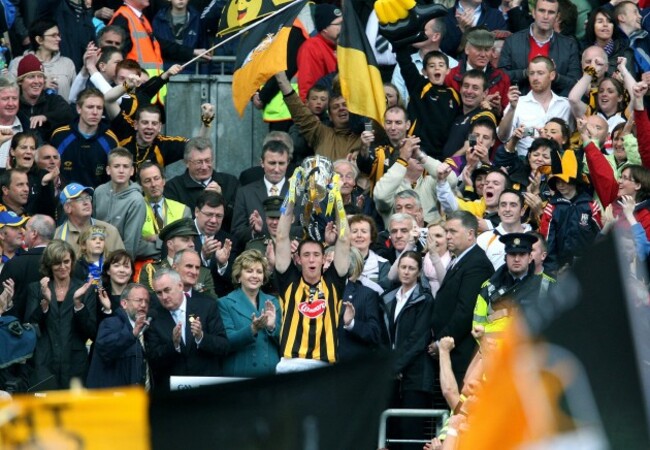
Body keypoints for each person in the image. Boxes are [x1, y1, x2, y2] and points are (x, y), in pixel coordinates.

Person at [273, 180, 350, 372]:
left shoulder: (334, 282)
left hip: (323, 366)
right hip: (290, 364)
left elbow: (344, 238)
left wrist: (337, 199)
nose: (311, 260)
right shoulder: (289, 281)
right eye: (306, 255)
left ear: (324, 259)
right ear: (297, 259)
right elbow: (281, 236)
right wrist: (291, 197)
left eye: (316, 255)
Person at [430, 211, 494, 389]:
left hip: (462, 353)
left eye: (453, 232)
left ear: (471, 234)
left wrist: (441, 341)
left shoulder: (477, 264)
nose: (447, 236)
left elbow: (465, 311)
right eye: (446, 231)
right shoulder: (461, 259)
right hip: (452, 351)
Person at [381, 250, 435, 449]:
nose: (406, 272)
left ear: (419, 272)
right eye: (403, 267)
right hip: (392, 377)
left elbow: (418, 339)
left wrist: (395, 366)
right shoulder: (388, 298)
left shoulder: (425, 299)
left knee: (411, 434)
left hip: (416, 376)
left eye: (411, 268)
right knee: (391, 433)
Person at [26, 240, 96, 390]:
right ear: (49, 265)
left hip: (75, 364)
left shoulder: (85, 290)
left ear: (72, 262)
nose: (63, 267)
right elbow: (30, 326)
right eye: (57, 263)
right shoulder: (36, 289)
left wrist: (78, 304)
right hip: (44, 363)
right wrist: (45, 303)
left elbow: (91, 331)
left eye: (66, 262)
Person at [146, 268, 229, 392]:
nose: (164, 296)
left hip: (207, 388)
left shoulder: (206, 307)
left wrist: (201, 337)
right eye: (159, 293)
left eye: (167, 290)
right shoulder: (154, 317)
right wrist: (173, 345)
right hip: (174, 395)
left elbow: (224, 346)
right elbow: (153, 360)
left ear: (180, 286)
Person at [473, 233, 555, 338]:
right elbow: (477, 327)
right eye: (512, 254)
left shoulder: (548, 286)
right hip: (492, 351)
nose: (516, 259)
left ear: (530, 258)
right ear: (505, 257)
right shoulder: (489, 287)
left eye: (522, 254)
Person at [217, 249, 281, 377]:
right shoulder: (225, 303)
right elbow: (226, 343)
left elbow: (287, 342)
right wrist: (252, 329)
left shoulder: (273, 302)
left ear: (263, 278)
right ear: (238, 276)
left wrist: (272, 327)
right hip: (240, 374)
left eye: (259, 272)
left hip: (271, 375)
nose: (255, 276)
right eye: (249, 271)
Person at [274, 70, 362, 162]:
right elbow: (297, 109)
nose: (341, 108)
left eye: (345, 105)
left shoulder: (364, 136)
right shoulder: (321, 133)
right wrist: (281, 78)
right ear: (330, 116)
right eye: (335, 107)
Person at [498, 0, 581, 96]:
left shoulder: (569, 45)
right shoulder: (512, 41)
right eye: (541, 11)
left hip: (556, 107)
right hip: (519, 105)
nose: (546, 16)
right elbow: (500, 76)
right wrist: (525, 73)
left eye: (551, 12)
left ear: (557, 17)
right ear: (533, 13)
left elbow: (575, 83)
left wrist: (555, 76)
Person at [539, 149, 602, 274]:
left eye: (564, 181)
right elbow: (547, 240)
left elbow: (599, 236)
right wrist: (552, 267)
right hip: (558, 268)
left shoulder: (590, 205)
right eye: (557, 181)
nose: (560, 185)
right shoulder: (552, 207)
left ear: (574, 182)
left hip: (588, 267)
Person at [392, 46, 460, 159]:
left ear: (448, 70)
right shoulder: (419, 86)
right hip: (418, 150)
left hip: (443, 154)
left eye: (441, 65)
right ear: (424, 71)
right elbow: (406, 64)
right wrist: (400, 44)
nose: (437, 68)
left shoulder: (454, 95)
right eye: (432, 66)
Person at [497, 56, 573, 158]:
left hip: (559, 164)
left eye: (540, 73)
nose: (535, 78)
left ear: (552, 75)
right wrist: (512, 108)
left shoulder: (565, 105)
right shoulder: (518, 103)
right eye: (531, 73)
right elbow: (502, 137)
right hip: (524, 164)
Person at [164, 136, 239, 231]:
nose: (204, 167)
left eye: (208, 161)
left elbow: (238, 220)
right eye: (199, 162)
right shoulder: (173, 188)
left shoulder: (230, 182)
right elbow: (174, 225)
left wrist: (222, 199)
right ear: (186, 162)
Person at [50, 87, 120, 188]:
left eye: (99, 108)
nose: (95, 112)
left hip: (96, 200)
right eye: (90, 107)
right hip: (64, 199)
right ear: (79, 109)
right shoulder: (60, 136)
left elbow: (114, 176)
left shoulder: (110, 140)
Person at [86, 283, 151, 389]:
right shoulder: (110, 323)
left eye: (146, 301)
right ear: (124, 303)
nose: (143, 305)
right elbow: (106, 349)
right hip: (112, 399)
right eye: (139, 300)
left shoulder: (146, 328)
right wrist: (132, 334)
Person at [231, 140, 292, 245]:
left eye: (281, 163)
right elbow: (236, 232)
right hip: (256, 257)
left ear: (288, 163)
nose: (277, 169)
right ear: (262, 163)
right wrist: (254, 231)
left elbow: (304, 229)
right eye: (272, 163)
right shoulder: (245, 193)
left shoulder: (300, 193)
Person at [138, 218, 216, 299]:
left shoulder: (204, 273)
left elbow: (212, 304)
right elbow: (148, 303)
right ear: (170, 244)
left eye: (193, 240)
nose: (192, 244)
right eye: (185, 240)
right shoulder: (153, 270)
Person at [391, 16, 459, 106]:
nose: (416, 32)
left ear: (435, 36)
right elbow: (397, 99)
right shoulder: (403, 64)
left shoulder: (453, 65)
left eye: (422, 29)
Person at [92, 147, 147, 258]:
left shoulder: (136, 200)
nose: (121, 170)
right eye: (116, 166)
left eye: (125, 166)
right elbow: (92, 226)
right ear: (108, 170)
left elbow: (131, 243)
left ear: (132, 171)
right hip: (95, 254)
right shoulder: (99, 192)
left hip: (119, 259)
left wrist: (123, 266)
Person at [0, 214, 55, 322]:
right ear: (1, 234)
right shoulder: (67, 259)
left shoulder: (15, 263)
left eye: (24, 228)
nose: (22, 231)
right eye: (15, 228)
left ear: (34, 234)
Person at [108, 0, 165, 103]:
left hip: (148, 91)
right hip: (135, 91)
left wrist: (191, 52)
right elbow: (116, 58)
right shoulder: (122, 18)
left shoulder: (140, 18)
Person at [8, 19, 77, 101]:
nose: (59, 39)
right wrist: (40, 86)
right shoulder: (18, 63)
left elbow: (75, 97)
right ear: (39, 39)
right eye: (53, 35)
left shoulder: (67, 63)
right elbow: (10, 94)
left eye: (59, 35)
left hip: (63, 112)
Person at [338, 247, 385, 362]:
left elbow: (375, 333)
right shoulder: (314, 292)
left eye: (331, 261)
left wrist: (351, 323)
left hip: (350, 367)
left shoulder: (367, 294)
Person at [137, 161, 191, 259]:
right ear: (140, 186)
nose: (153, 184)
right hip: (144, 268)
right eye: (147, 181)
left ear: (164, 181)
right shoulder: (134, 209)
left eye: (156, 178)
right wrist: (169, 246)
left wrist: (156, 238)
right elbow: (135, 246)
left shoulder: (183, 210)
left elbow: (185, 244)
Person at [54, 183, 125, 257]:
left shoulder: (110, 231)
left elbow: (122, 264)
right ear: (67, 208)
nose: (86, 202)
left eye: (87, 197)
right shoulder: (57, 236)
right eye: (79, 199)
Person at [15, 54, 73, 143]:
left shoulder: (53, 100)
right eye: (31, 77)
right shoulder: (14, 103)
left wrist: (45, 117)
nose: (37, 81)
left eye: (40, 76)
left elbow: (68, 114)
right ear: (20, 81)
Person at [476, 189, 533, 269]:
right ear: (498, 210)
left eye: (513, 205)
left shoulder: (535, 238)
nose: (507, 209)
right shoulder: (483, 239)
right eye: (503, 205)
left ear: (522, 211)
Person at [296, 3, 341, 100]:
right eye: (338, 24)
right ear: (324, 28)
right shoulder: (311, 48)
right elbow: (307, 88)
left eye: (343, 23)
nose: (342, 27)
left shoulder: (341, 45)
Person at [348, 214, 390, 293]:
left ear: (371, 237)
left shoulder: (383, 264)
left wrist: (359, 278)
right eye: (354, 231)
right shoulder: (339, 262)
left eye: (364, 231)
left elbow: (383, 293)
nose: (359, 235)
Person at [422, 221, 452, 297]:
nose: (434, 241)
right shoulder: (424, 257)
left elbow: (447, 286)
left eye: (438, 236)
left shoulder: (453, 259)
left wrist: (434, 255)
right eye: (430, 237)